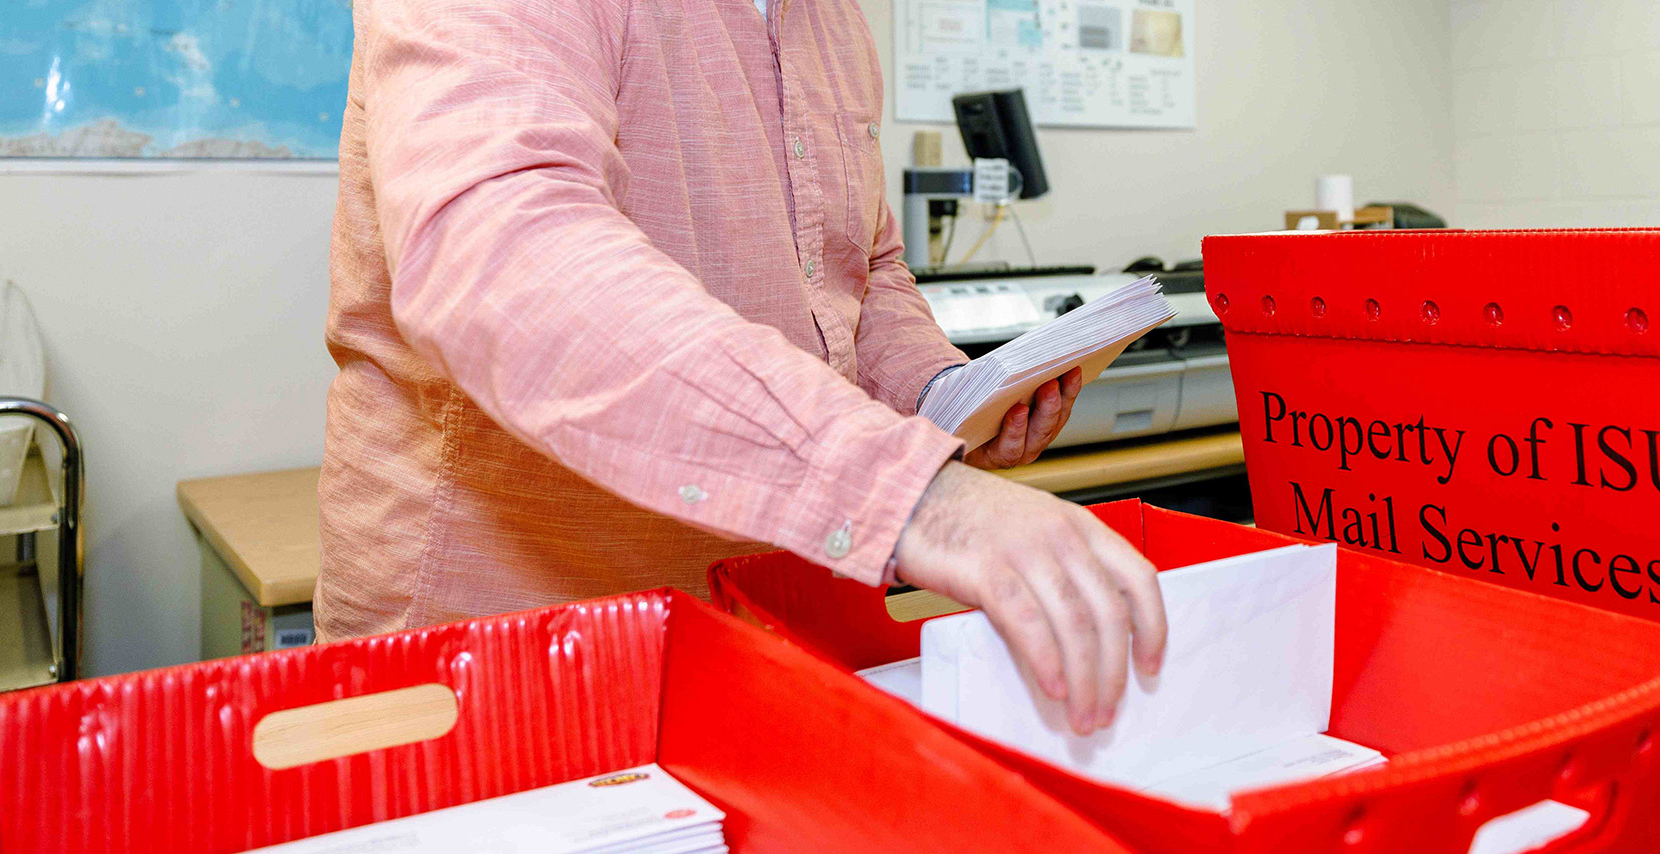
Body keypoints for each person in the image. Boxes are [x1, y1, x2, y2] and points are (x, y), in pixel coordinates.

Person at [319, 0, 1163, 735]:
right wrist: (907, 495)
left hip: (755, 623)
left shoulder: (830, 19)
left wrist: (940, 395)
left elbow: (856, 270)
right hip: (508, 634)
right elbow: (507, 254)